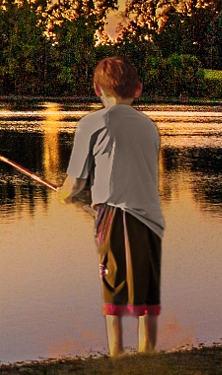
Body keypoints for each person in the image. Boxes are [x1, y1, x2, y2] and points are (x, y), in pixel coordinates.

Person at [59, 57, 163, 357]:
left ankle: (117, 352)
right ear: (139, 89)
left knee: (113, 280)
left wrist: (64, 195)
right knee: (145, 283)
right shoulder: (149, 126)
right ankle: (148, 349)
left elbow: (76, 180)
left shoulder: (91, 123)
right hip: (150, 214)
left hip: (112, 213)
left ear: (96, 90)